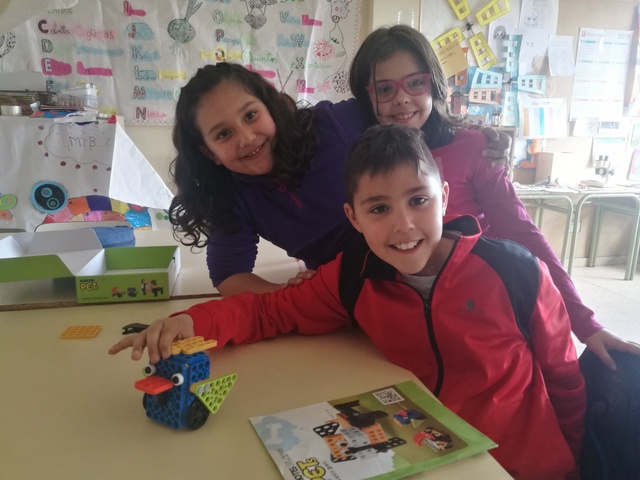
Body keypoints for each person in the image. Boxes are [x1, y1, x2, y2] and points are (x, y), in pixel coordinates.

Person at [111, 124, 586, 479]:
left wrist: (571, 463)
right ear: (353, 218)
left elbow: (564, 378)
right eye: (378, 208)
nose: (402, 224)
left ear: (444, 198)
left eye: (418, 200)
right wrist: (190, 322)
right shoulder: (353, 276)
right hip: (427, 455)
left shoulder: (517, 272)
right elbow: (268, 312)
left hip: (522, 465)